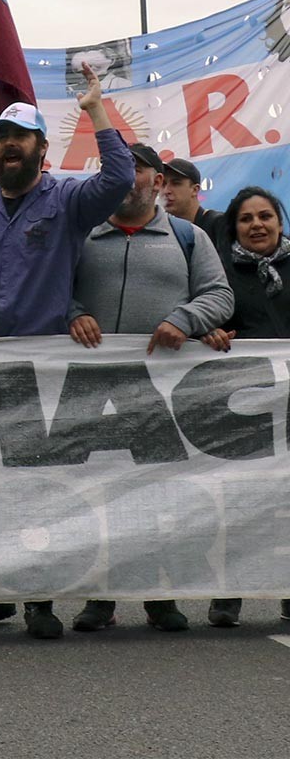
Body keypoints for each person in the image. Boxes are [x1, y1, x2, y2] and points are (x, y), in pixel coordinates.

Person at [0, 65, 132, 639]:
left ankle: (41, 598)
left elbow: (120, 180)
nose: (8, 146)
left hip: (47, 370)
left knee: (43, 489)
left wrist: (96, 112)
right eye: (1, 138)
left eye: (19, 138)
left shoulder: (68, 200)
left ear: (40, 148)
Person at [61, 142, 232, 635]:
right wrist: (75, 313)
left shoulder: (188, 237)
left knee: (160, 494)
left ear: (158, 183)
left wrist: (185, 318)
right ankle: (100, 596)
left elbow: (218, 295)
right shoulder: (83, 237)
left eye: (137, 170)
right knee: (95, 491)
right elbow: (52, 289)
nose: (126, 178)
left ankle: (160, 595)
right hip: (89, 389)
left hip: (162, 392)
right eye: (117, 169)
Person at [205, 186, 290, 628]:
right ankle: (227, 594)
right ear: (234, 227)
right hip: (245, 402)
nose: (257, 225)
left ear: (279, 221)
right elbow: (211, 318)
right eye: (246, 219)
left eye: (265, 216)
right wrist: (213, 332)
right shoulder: (222, 274)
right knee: (237, 499)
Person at [161, 157, 224, 245]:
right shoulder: (166, 230)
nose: (166, 191)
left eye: (176, 183)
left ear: (195, 190)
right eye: (163, 184)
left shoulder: (218, 224)